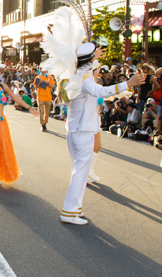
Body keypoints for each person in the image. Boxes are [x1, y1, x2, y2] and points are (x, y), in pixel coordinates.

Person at [61, 44, 145, 224]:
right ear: (90, 60)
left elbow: (96, 93)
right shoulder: (85, 78)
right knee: (80, 173)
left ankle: (75, 209)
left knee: (79, 172)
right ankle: (69, 211)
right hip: (83, 130)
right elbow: (99, 91)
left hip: (76, 129)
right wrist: (128, 83)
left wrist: (91, 59)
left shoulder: (75, 74)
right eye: (95, 58)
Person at [0, 70, 38, 187]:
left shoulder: (4, 87)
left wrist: (29, 108)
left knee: (0, 149)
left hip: (1, 123)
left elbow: (15, 98)